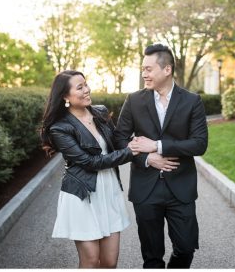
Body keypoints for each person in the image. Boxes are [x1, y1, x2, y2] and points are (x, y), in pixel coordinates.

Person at [113, 44, 209, 268]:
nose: (143, 74)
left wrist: (157, 146)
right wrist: (147, 159)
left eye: (148, 69)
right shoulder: (134, 100)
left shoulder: (192, 101)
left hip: (181, 189)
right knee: (152, 257)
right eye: (142, 69)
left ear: (167, 70)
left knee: (185, 249)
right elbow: (119, 140)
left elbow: (199, 144)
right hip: (145, 190)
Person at [42, 70, 138, 268]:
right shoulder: (60, 128)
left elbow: (117, 144)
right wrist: (130, 151)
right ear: (65, 97)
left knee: (110, 262)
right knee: (91, 260)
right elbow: (89, 162)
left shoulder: (100, 112)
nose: (87, 90)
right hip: (82, 194)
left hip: (108, 189)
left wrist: (139, 145)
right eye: (80, 87)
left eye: (86, 84)